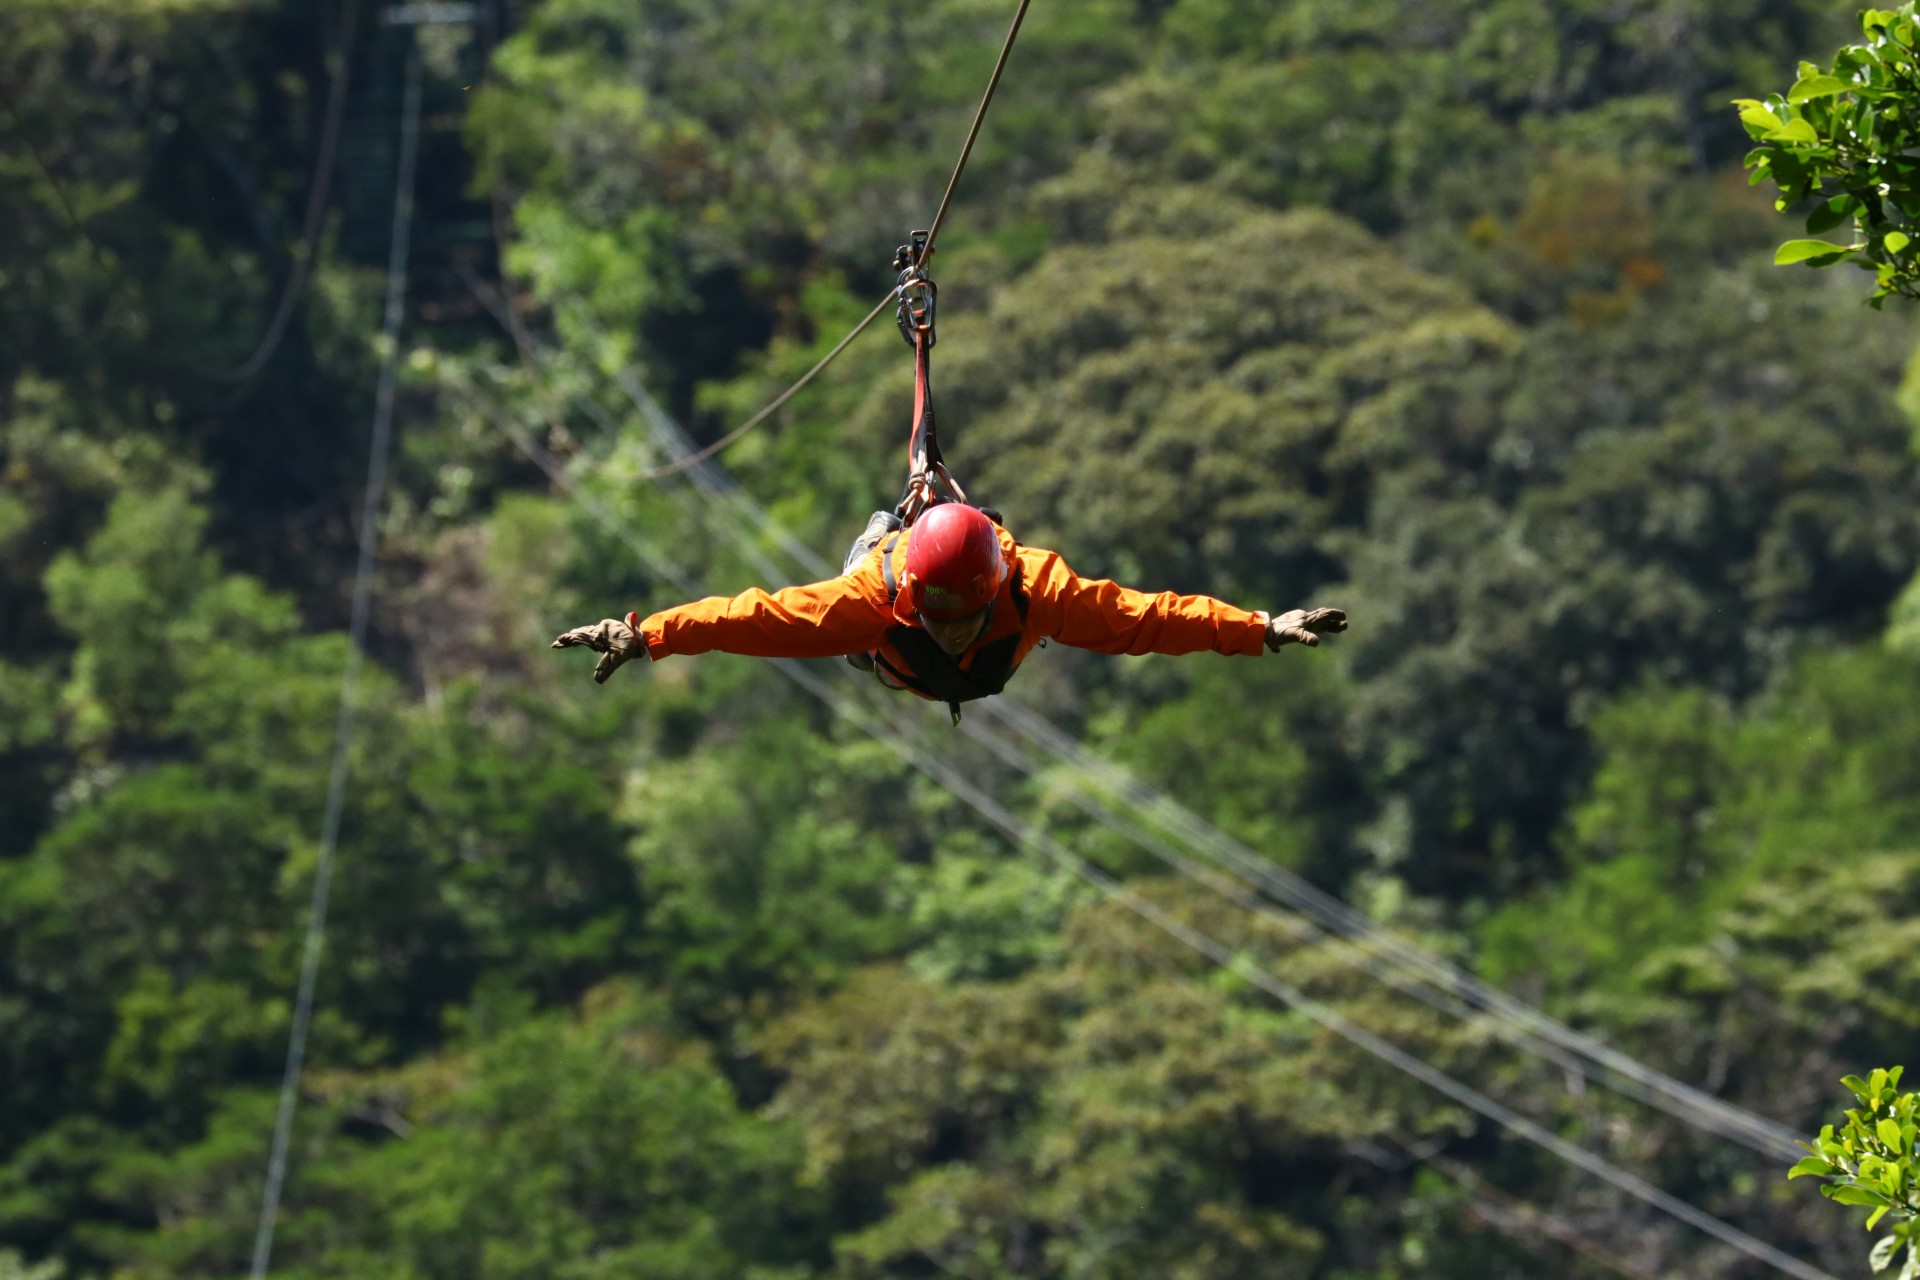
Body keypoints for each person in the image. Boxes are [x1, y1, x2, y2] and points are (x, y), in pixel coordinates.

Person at [552, 502, 1345, 717]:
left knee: (1038, 635)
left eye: (962, 618)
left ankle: (893, 533)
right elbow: (751, 618)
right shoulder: (875, 603)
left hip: (989, 664)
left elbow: (1148, 617)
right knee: (848, 613)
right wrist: (645, 632)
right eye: (940, 618)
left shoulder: (1038, 590)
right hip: (889, 661)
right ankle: (879, 538)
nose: (953, 630)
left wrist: (1260, 628)